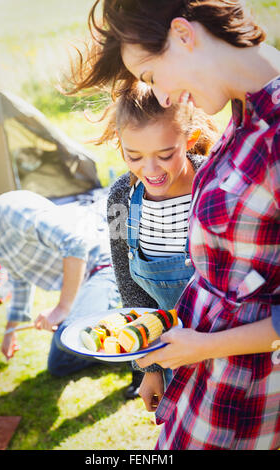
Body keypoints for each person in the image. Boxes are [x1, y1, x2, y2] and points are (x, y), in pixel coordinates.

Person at [66, 0, 280, 450]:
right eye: (135, 156)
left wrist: (200, 348)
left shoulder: (261, 136)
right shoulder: (240, 122)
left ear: (183, 35)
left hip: (237, 387)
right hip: (188, 366)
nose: (161, 96)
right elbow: (130, 283)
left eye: (150, 76)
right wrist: (152, 364)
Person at [103, 83, 218, 399]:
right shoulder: (118, 200)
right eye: (134, 155)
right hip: (169, 353)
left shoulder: (217, 187)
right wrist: (148, 370)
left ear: (189, 140)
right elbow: (129, 286)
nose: (150, 170)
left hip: (229, 347)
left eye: (165, 154)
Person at [0, 190, 120, 377]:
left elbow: (75, 243)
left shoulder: (11, 210)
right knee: (59, 364)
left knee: (67, 339)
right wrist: (10, 330)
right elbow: (19, 277)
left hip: (104, 266)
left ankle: (140, 351)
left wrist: (62, 309)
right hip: (83, 281)